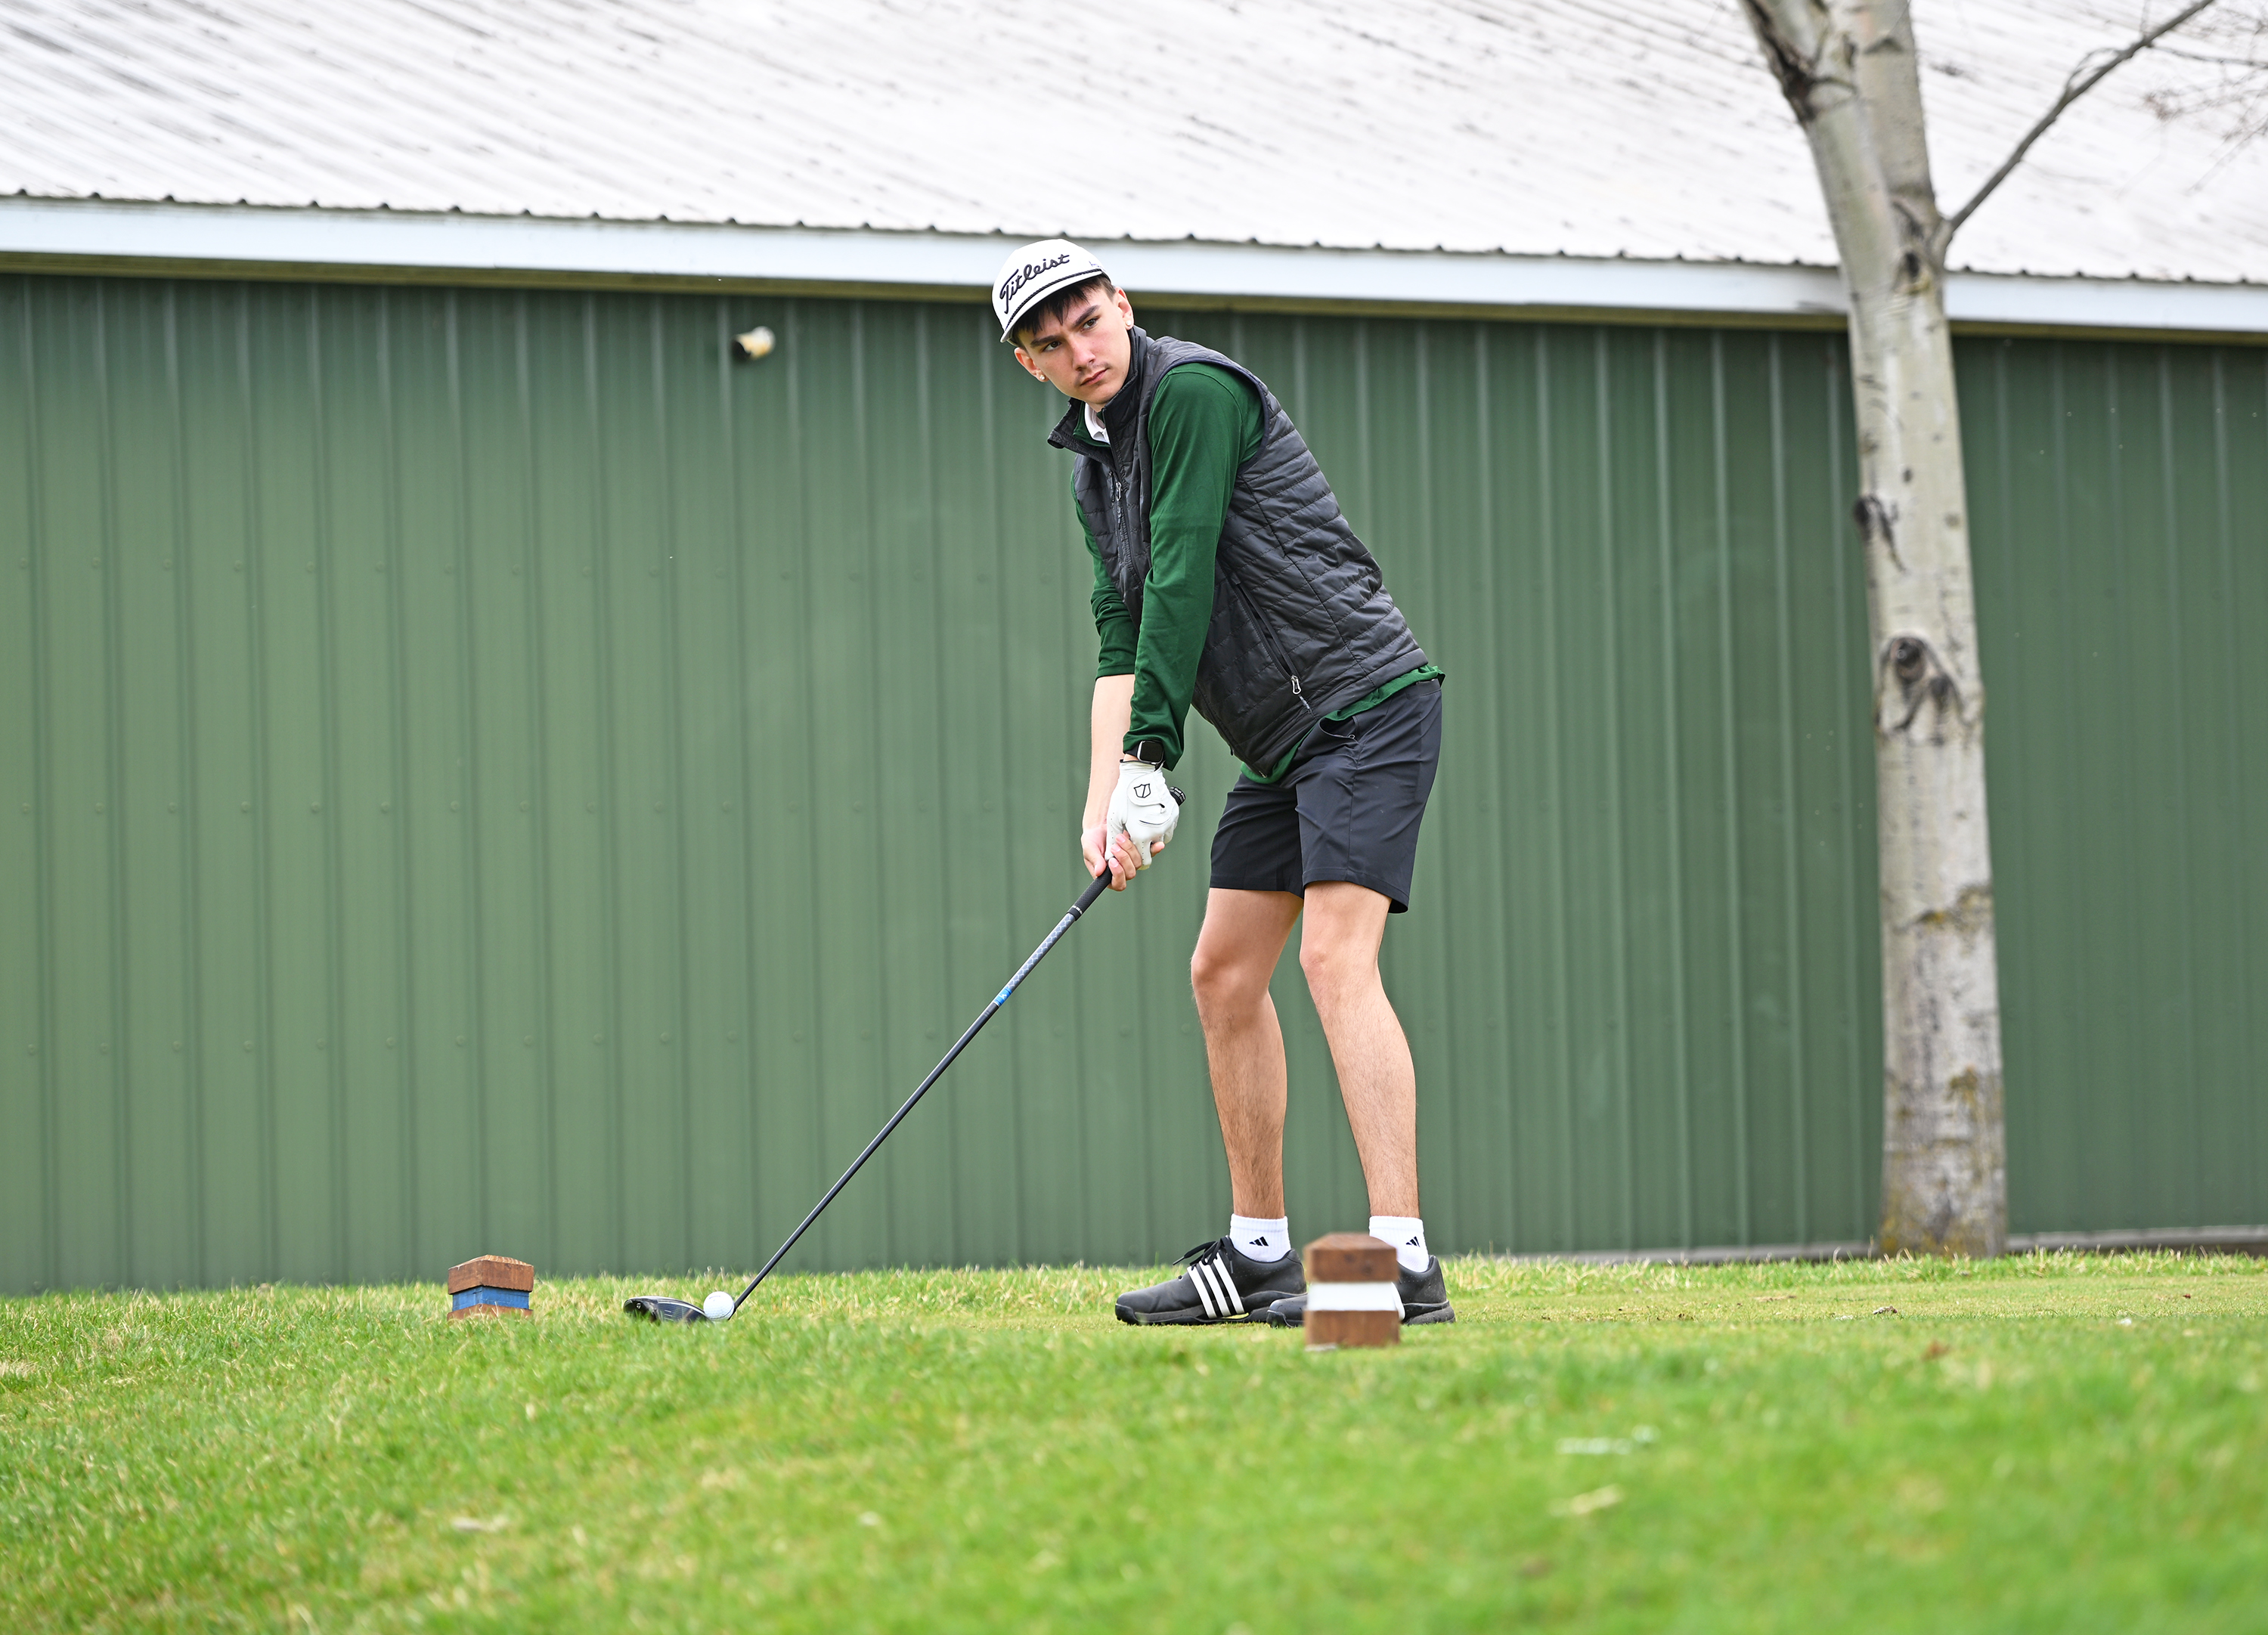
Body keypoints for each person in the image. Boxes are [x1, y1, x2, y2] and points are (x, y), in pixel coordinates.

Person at [993, 240, 1453, 1329]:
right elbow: (1121, 634)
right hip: (1282, 741)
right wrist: (1105, 800)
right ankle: (1259, 1260)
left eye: (1090, 322)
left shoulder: (1194, 392)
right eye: (1052, 342)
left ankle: (1404, 1264)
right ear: (1030, 364)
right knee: (1222, 975)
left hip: (1364, 701)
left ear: (1123, 307)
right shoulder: (1093, 468)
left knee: (1337, 963)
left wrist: (1153, 758)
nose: (1081, 349)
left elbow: (1186, 568)